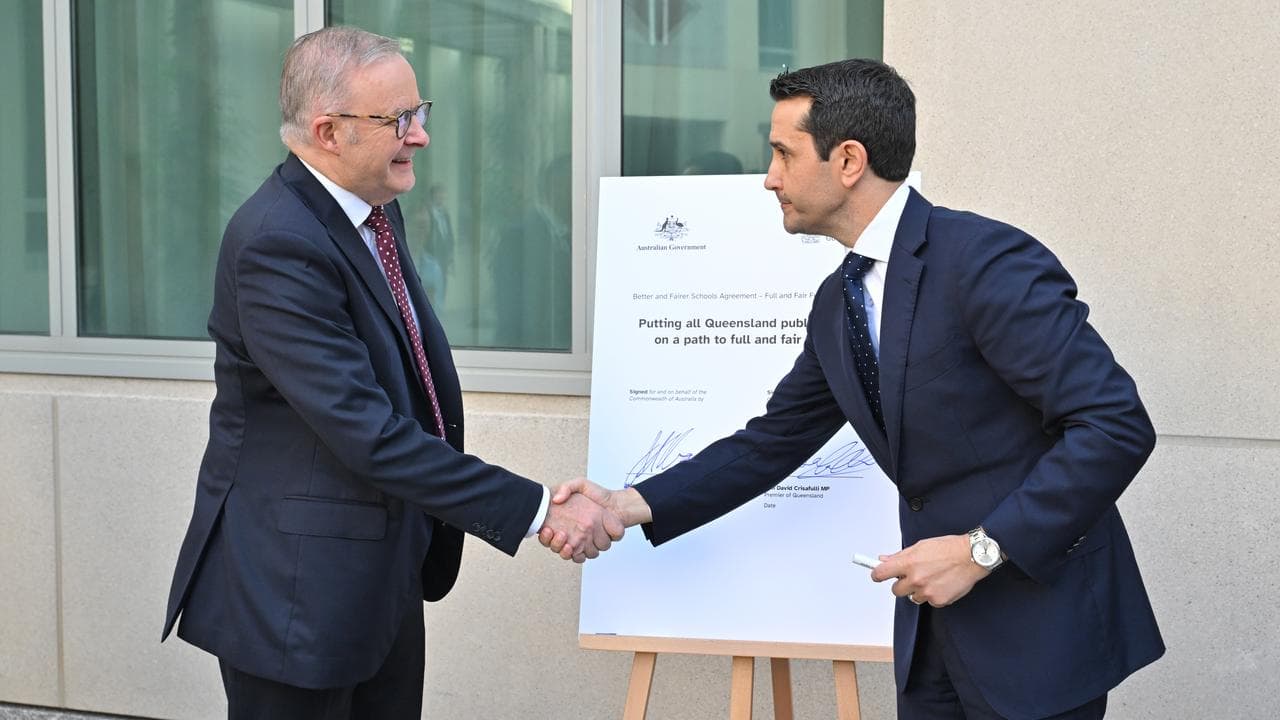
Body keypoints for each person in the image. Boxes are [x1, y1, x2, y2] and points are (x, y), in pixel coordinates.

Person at [546, 58, 1162, 720]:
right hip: (933, 642)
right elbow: (772, 441)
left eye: (784, 153)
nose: (769, 177)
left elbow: (1114, 424)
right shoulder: (838, 302)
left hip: (1040, 634)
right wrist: (626, 504)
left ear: (847, 161)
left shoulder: (984, 262)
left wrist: (983, 550)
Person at [162, 27, 620, 720]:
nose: (421, 135)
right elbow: (367, 431)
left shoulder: (373, 212)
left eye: (420, 111)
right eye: (399, 119)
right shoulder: (277, 243)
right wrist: (538, 509)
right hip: (297, 596)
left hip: (381, 575)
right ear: (328, 131)